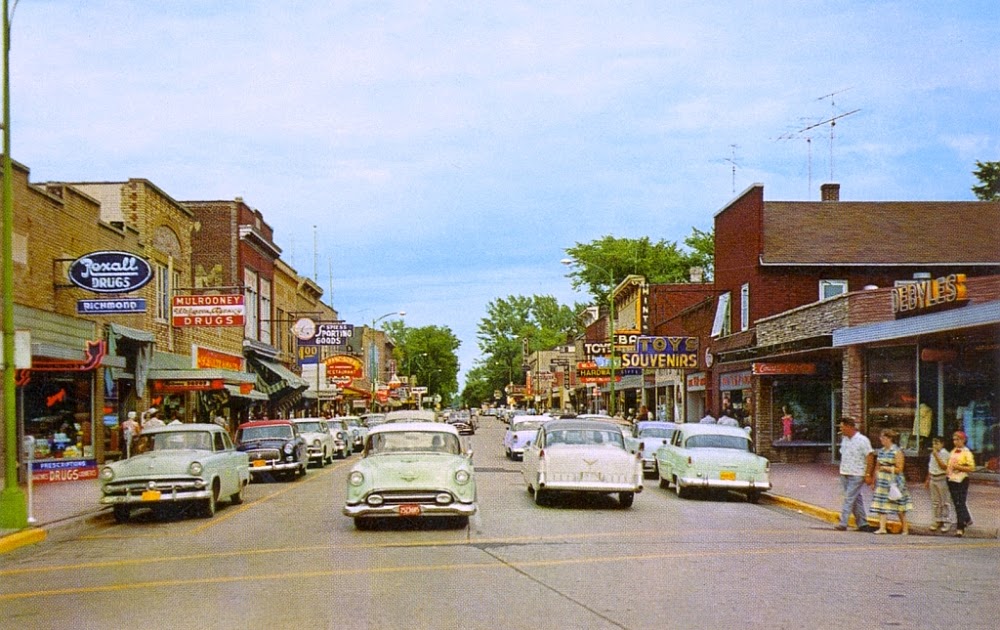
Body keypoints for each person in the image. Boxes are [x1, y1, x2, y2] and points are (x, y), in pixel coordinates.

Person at [834, 417, 876, 532]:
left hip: (857, 473)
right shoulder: (845, 439)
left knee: (849, 497)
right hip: (845, 472)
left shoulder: (862, 440)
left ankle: (843, 523)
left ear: (849, 427)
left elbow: (870, 456)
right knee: (856, 498)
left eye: (842, 427)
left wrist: (868, 474)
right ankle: (863, 523)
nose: (841, 429)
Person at [870, 429, 913, 535]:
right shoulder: (881, 451)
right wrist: (874, 480)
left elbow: (899, 468)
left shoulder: (897, 451)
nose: (881, 440)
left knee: (898, 505)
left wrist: (886, 468)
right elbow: (877, 466)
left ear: (890, 438)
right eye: (881, 437)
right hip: (882, 480)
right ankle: (882, 527)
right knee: (881, 504)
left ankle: (905, 528)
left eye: (883, 437)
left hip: (894, 481)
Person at [947, 430, 976, 537]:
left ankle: (960, 527)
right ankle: (967, 518)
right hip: (952, 479)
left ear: (963, 440)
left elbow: (971, 467)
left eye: (958, 439)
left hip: (962, 479)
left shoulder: (966, 452)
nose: (955, 442)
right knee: (956, 502)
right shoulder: (953, 451)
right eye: (954, 439)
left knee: (960, 502)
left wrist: (958, 467)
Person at [925, 436, 955, 533]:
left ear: (942, 444)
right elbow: (931, 467)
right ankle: (937, 520)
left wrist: (936, 455)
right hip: (933, 478)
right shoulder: (932, 454)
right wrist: (927, 479)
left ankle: (947, 521)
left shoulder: (944, 453)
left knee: (945, 501)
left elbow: (943, 467)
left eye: (937, 443)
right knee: (935, 501)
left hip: (941, 478)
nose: (935, 446)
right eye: (934, 444)